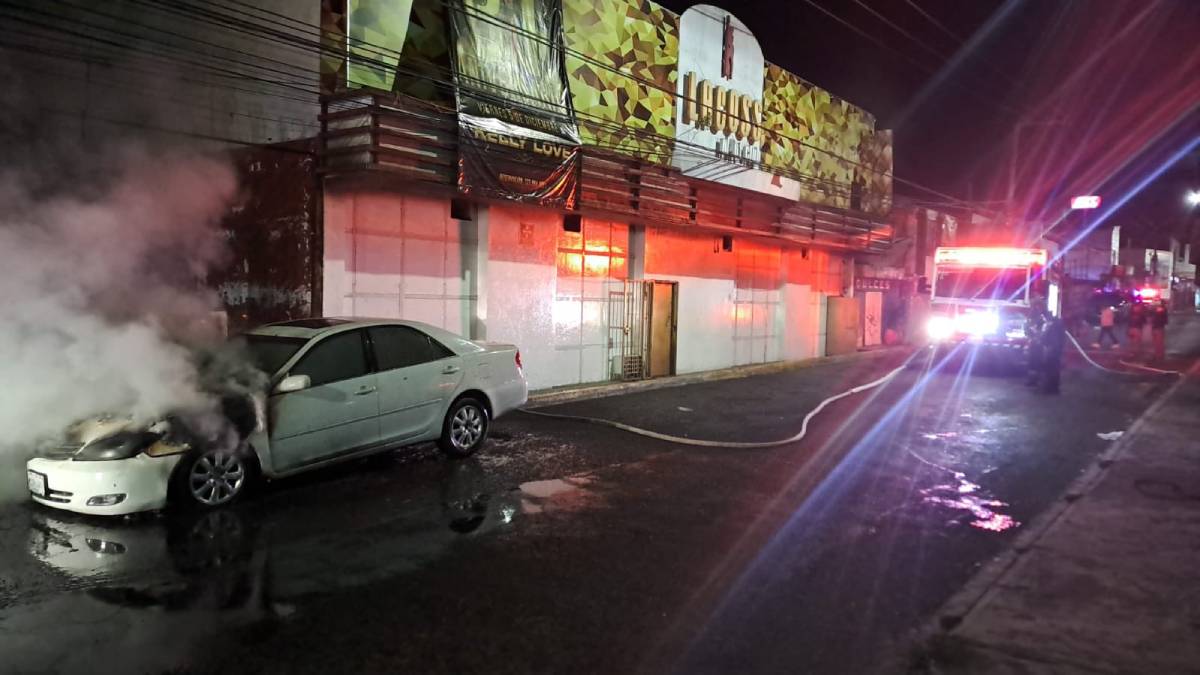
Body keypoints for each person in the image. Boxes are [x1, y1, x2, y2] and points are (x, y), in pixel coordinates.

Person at [1040, 311, 1066, 394]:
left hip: (1051, 351)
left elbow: (1045, 338)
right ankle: (1055, 388)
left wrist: (1043, 341)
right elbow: (1062, 339)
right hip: (1057, 351)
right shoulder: (1058, 325)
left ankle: (1049, 388)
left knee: (1049, 370)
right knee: (1055, 370)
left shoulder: (1051, 326)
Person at [1025, 304, 1046, 387]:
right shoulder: (1030, 321)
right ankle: (1033, 380)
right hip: (1034, 344)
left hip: (1038, 344)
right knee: (1032, 363)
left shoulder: (1041, 320)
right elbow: (1027, 331)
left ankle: (1035, 380)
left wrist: (1036, 335)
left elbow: (1043, 332)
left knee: (1036, 363)